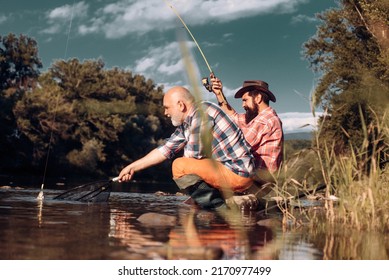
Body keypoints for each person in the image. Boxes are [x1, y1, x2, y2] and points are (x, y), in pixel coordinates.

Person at [118, 86, 255, 211]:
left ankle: (218, 208)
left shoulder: (202, 113)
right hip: (229, 170)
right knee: (184, 168)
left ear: (180, 105)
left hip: (237, 172)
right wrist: (132, 167)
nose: (165, 113)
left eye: (167, 107)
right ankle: (215, 203)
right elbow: (164, 150)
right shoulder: (186, 124)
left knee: (179, 165)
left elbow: (193, 156)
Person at [210, 75, 284, 202]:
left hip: (257, 183)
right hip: (256, 181)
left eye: (245, 100)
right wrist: (219, 94)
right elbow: (233, 116)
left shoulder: (265, 120)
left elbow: (238, 144)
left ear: (258, 98)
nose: (243, 105)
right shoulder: (257, 118)